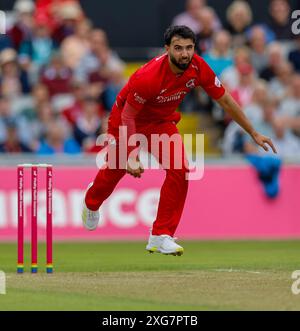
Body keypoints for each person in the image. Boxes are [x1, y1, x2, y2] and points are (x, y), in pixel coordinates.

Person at [82, 26, 276, 256]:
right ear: (167, 49)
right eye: (178, 48)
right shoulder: (148, 77)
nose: (184, 54)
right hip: (126, 119)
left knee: (180, 169)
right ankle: (91, 202)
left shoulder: (197, 66)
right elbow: (129, 115)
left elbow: (224, 100)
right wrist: (131, 155)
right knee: (117, 169)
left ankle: (160, 235)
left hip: (161, 122)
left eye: (189, 48)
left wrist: (252, 132)